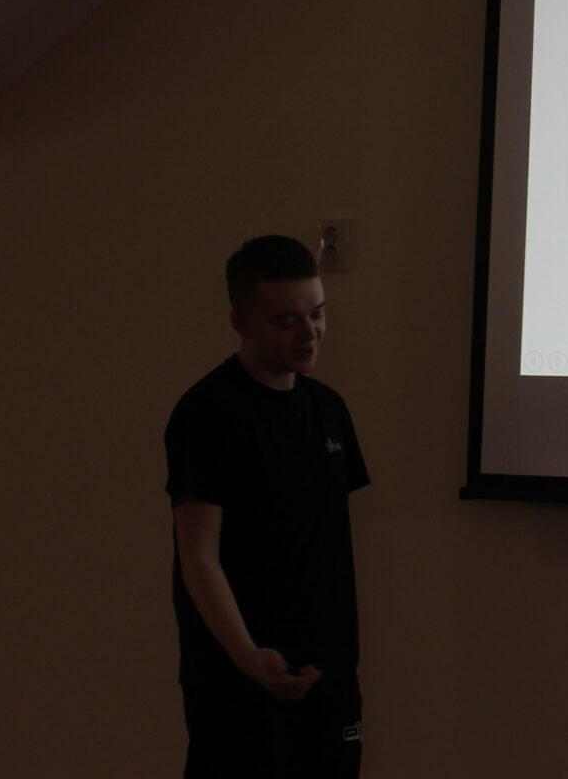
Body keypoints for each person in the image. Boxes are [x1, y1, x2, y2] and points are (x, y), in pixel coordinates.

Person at [165, 235, 370, 778]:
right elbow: (198, 556)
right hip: (238, 678)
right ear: (241, 322)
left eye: (317, 314)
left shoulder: (328, 410)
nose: (309, 333)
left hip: (328, 677)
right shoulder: (209, 413)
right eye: (286, 321)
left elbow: (321, 543)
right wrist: (246, 654)